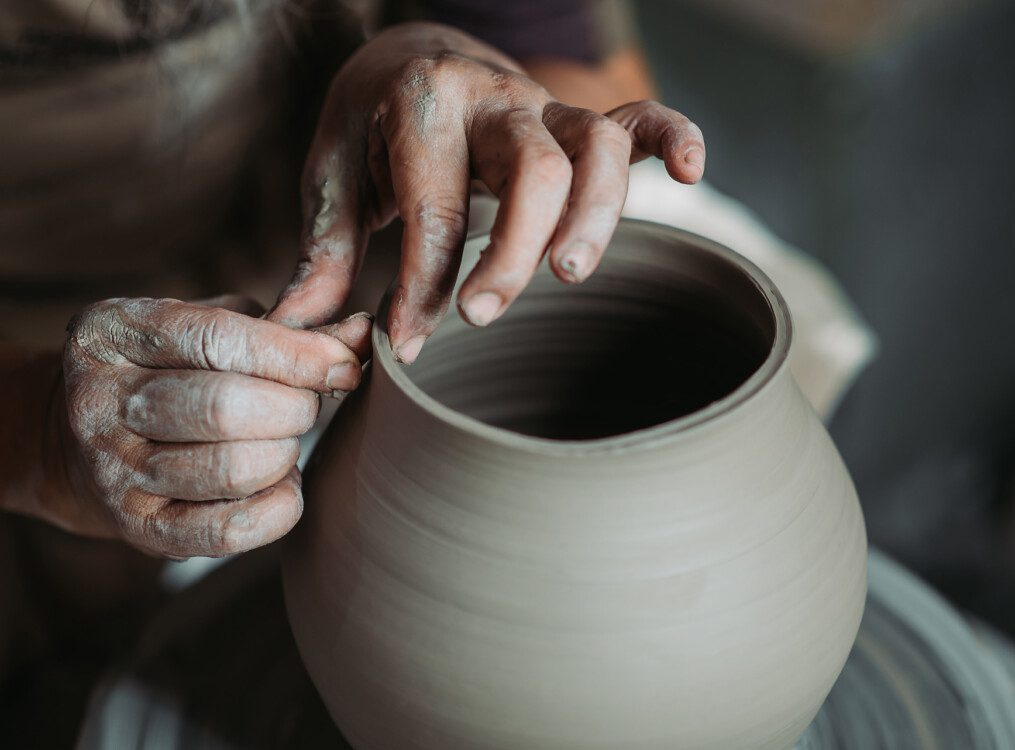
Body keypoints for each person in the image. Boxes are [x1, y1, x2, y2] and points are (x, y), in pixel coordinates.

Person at [0, 0, 704, 738]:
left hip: (380, 229)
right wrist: (39, 440)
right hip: (36, 347)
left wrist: (463, 71)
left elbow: (581, 71)